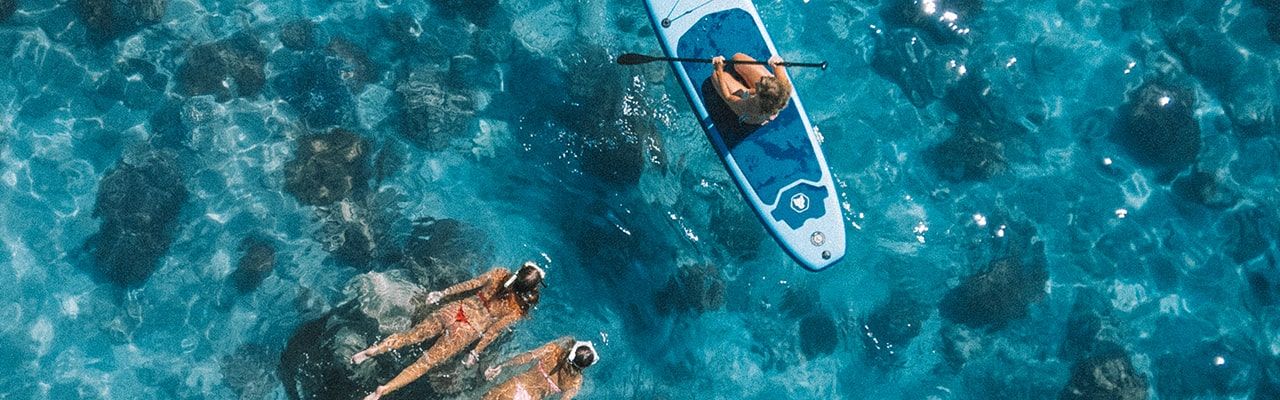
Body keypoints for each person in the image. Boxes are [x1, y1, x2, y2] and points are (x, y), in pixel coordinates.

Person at [351, 261, 547, 400]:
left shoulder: (499, 273)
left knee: (409, 336)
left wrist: (442, 293)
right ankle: (382, 391)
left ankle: (373, 351)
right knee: (423, 364)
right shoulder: (517, 309)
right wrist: (474, 352)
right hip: (467, 330)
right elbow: (493, 331)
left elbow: (470, 284)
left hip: (456, 309)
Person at [481, 337, 599, 400]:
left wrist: (502, 365)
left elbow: (527, 357)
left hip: (514, 386)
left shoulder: (553, 350)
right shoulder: (575, 383)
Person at [710, 53, 793, 125]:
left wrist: (718, 70)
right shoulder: (783, 85)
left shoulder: (751, 106)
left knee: (715, 76)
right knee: (738, 58)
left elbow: (728, 97)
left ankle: (765, 118)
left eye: (758, 85)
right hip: (769, 100)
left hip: (752, 113)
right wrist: (775, 62)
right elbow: (777, 62)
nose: (756, 83)